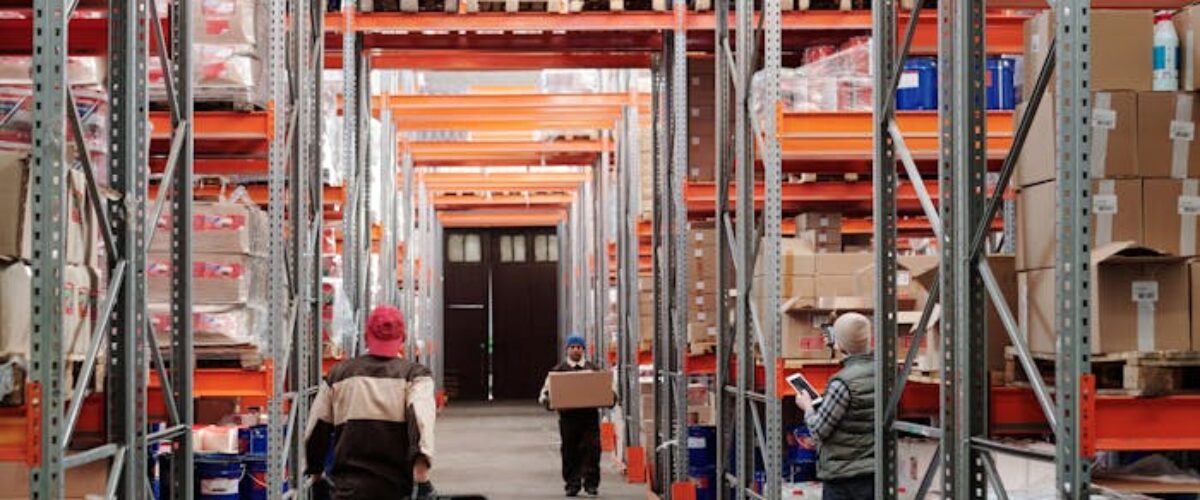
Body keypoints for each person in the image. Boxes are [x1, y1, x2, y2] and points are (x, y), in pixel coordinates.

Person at [304, 305, 438, 499]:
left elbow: (316, 428)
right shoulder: (415, 376)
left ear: (366, 337)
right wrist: (422, 479)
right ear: (403, 338)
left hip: (347, 492)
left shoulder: (338, 375)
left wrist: (316, 474)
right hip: (396, 491)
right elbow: (421, 421)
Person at [793, 312, 875, 500]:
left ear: (839, 344)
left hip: (843, 479)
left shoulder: (842, 383)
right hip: (874, 474)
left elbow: (817, 430)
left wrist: (807, 407)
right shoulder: (882, 373)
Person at [539, 335, 603, 497]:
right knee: (570, 451)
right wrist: (547, 400)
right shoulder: (558, 371)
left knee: (592, 449)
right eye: (572, 347)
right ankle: (572, 484)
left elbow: (608, 389)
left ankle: (591, 484)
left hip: (589, 418)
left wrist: (611, 397)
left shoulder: (593, 369)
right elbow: (545, 392)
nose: (576, 350)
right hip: (568, 418)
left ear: (583, 350)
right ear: (567, 350)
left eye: (579, 347)